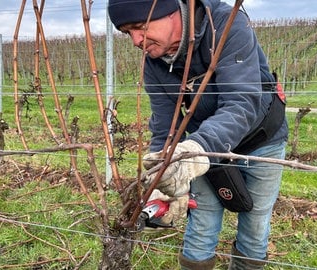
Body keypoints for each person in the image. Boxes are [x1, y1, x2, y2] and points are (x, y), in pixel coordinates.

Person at [108, 0, 288, 269]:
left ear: (172, 12)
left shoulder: (227, 25)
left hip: (261, 141)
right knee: (202, 219)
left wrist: (194, 153)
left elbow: (242, 103)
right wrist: (164, 176)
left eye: (139, 26)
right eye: (127, 32)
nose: (136, 40)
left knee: (255, 222)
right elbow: (166, 126)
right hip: (202, 143)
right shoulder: (155, 61)